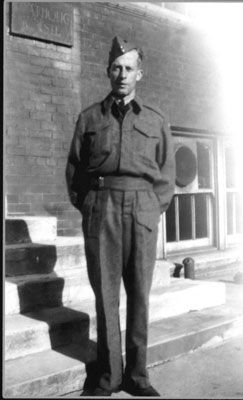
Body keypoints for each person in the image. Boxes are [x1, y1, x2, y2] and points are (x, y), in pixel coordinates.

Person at [66, 36, 176, 397]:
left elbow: (166, 175)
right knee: (106, 294)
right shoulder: (89, 118)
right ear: (107, 71)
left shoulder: (157, 119)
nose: (122, 74)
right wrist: (91, 206)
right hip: (102, 206)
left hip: (142, 207)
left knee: (140, 295)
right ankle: (109, 377)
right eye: (116, 67)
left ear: (139, 74)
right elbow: (75, 173)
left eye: (129, 68)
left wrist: (151, 208)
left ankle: (138, 376)